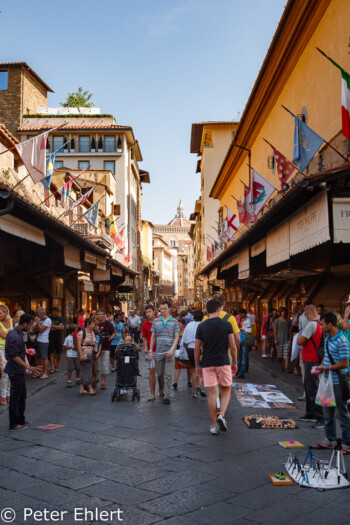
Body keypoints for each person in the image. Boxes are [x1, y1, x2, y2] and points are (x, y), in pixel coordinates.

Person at [195, 298, 238, 435]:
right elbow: (233, 346)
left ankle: (213, 425)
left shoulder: (201, 326)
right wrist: (235, 362)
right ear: (219, 309)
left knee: (212, 394)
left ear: (207, 311)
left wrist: (197, 365)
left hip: (207, 363)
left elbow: (197, 349)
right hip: (223, 361)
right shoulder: (226, 324)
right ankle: (222, 415)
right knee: (226, 389)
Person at [313, 311, 350, 452]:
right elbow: (327, 357)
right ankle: (330, 440)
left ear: (330, 324)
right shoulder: (328, 338)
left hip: (338, 383)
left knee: (342, 413)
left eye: (322, 324)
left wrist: (326, 367)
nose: (320, 327)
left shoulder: (342, 341)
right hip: (326, 381)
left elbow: (345, 363)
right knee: (327, 412)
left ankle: (347, 443)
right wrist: (320, 367)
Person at [5, 313, 42, 430]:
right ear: (25, 323)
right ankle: (14, 423)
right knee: (15, 397)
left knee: (22, 395)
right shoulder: (15, 335)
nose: (31, 326)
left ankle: (20, 419)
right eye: (30, 324)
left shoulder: (18, 333)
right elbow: (14, 355)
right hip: (15, 370)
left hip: (18, 370)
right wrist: (29, 367)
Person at [297, 305, 325, 428]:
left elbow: (300, 341)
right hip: (315, 359)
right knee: (310, 387)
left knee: (313, 388)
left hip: (310, 359)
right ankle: (310, 413)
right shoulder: (320, 324)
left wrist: (301, 339)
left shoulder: (311, 325)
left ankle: (320, 417)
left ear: (308, 313)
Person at [149, 300, 180, 404]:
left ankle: (167, 396)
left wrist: (172, 349)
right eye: (161, 309)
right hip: (158, 352)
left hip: (169, 352)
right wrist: (150, 350)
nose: (162, 311)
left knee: (168, 375)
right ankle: (161, 390)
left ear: (169, 309)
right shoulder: (156, 321)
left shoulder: (174, 322)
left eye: (164, 309)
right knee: (160, 375)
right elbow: (153, 336)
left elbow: (176, 338)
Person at [182, 309, 206, 398]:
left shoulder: (189, 325)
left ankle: (195, 391)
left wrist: (187, 349)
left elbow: (184, 340)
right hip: (200, 348)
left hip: (190, 349)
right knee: (201, 369)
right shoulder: (203, 325)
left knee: (194, 369)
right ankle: (200, 386)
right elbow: (204, 340)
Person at [95, 308, 115, 390]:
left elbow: (114, 333)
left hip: (106, 347)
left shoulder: (108, 323)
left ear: (104, 315)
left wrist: (110, 338)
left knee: (104, 364)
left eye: (101, 314)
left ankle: (103, 381)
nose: (100, 316)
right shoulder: (93, 323)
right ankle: (94, 378)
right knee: (94, 365)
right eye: (98, 314)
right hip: (95, 348)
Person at [76, 317, 96, 396]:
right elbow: (78, 344)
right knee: (87, 370)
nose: (94, 325)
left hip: (90, 354)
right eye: (93, 323)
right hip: (84, 353)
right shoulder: (81, 332)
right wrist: (81, 354)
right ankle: (89, 387)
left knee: (87, 370)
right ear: (88, 324)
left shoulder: (92, 332)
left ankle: (82, 388)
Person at [142, 304, 157, 401]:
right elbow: (144, 337)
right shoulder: (145, 324)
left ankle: (161, 390)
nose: (148, 314)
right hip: (151, 351)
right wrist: (146, 347)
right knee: (151, 372)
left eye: (149, 312)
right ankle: (152, 393)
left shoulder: (159, 321)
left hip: (160, 350)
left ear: (154, 312)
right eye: (146, 312)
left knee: (160, 373)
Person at [173, 318, 192, 390]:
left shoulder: (186, 331)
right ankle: (175, 382)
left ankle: (189, 381)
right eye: (177, 324)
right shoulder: (176, 332)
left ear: (183, 324)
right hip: (178, 351)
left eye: (179, 324)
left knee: (189, 367)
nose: (178, 325)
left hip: (186, 351)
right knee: (177, 367)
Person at [0, 305, 13, 405]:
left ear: (6, 313)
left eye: (0, 313)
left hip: (9, 349)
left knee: (9, 373)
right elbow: (4, 336)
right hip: (1, 349)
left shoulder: (11, 321)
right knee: (4, 373)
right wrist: (10, 333)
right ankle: (3, 396)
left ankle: (8, 394)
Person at [273, 307, 292, 372]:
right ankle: (280, 365)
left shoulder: (289, 321)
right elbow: (275, 331)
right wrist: (275, 339)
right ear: (280, 312)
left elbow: (290, 330)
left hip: (286, 340)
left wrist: (290, 339)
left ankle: (286, 367)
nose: (284, 313)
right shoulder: (277, 321)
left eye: (285, 312)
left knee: (286, 355)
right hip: (279, 339)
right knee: (279, 355)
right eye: (282, 311)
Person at [36, 307, 52, 380]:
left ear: (42, 313)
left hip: (44, 340)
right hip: (38, 340)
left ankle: (45, 373)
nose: (37, 315)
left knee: (44, 357)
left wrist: (37, 323)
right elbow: (36, 329)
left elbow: (41, 329)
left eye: (38, 314)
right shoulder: (40, 319)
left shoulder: (48, 320)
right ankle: (40, 372)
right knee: (39, 357)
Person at [236, 308, 252, 378]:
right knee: (240, 356)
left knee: (243, 356)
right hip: (241, 338)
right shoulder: (241, 319)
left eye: (240, 314)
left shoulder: (248, 320)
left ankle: (241, 372)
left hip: (245, 339)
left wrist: (242, 329)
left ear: (244, 313)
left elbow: (249, 330)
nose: (239, 315)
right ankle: (238, 371)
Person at [48, 307, 65, 373]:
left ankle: (56, 365)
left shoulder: (60, 318)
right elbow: (48, 328)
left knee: (59, 353)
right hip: (50, 337)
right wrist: (58, 327)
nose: (55, 313)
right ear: (52, 312)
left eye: (57, 312)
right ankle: (52, 367)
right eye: (54, 311)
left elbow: (62, 327)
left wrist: (53, 326)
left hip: (58, 337)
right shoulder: (49, 318)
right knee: (51, 352)